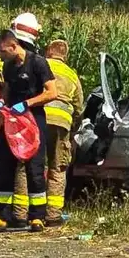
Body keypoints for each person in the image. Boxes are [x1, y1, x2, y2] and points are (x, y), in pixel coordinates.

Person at [0, 29, 57, 232]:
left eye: (4, 51)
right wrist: (1, 102)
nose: (1, 55)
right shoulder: (8, 67)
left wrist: (27, 104)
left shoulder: (37, 63)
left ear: (14, 46)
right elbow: (6, 90)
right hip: (12, 119)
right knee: (2, 161)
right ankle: (1, 215)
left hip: (33, 118)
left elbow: (52, 92)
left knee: (35, 168)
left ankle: (37, 217)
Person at [43, 39, 84, 226]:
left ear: (49, 51)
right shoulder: (72, 74)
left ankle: (28, 212)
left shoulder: (41, 63)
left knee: (31, 164)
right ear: (64, 55)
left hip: (38, 118)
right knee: (58, 167)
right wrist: (73, 123)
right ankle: (53, 216)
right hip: (61, 124)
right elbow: (78, 106)